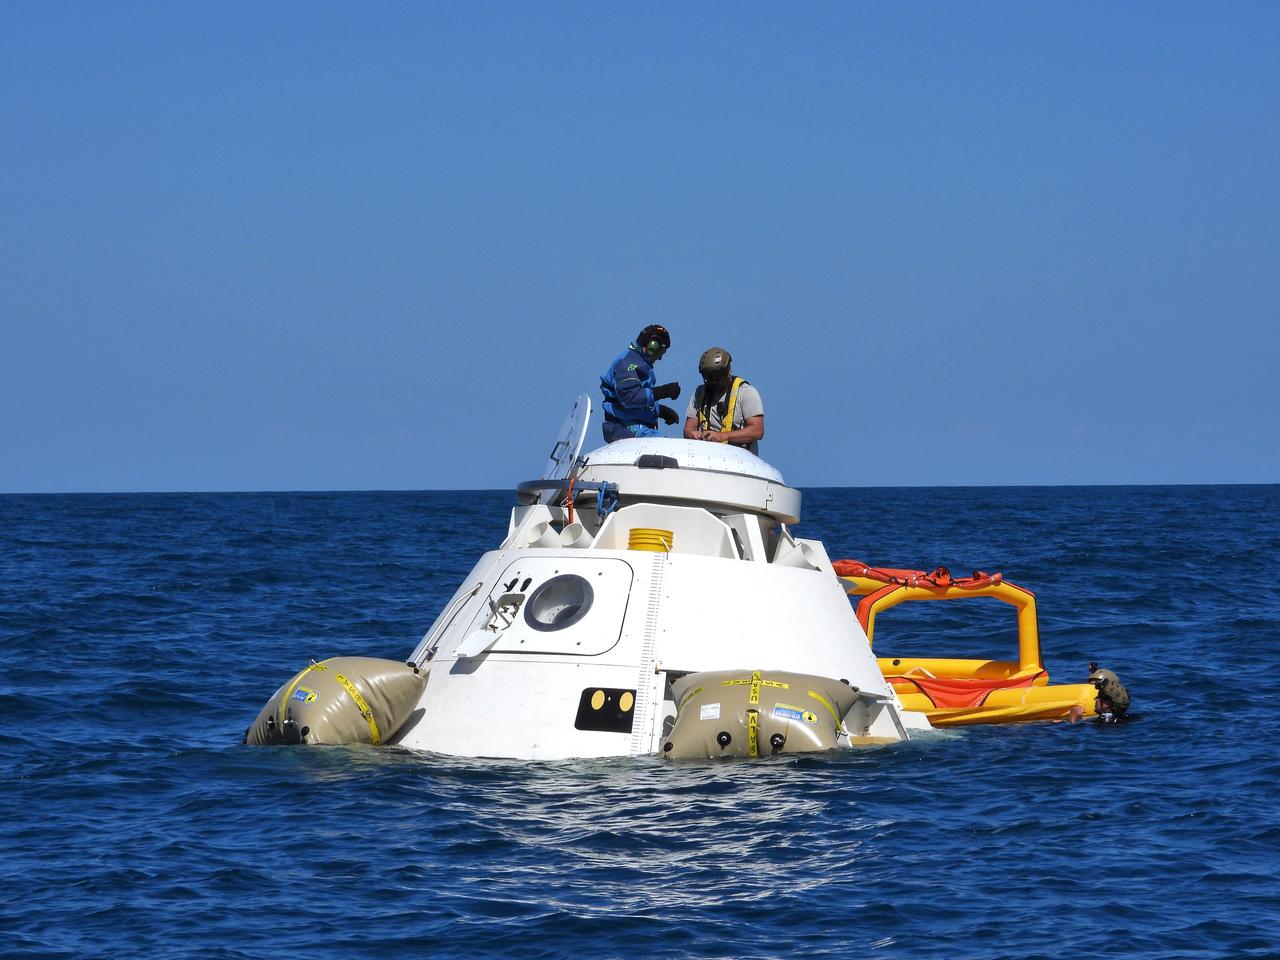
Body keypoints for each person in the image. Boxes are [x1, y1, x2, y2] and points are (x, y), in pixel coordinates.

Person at [600, 325, 682, 442]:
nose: (660, 358)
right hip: (625, 429)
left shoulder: (638, 361)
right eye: (662, 352)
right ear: (653, 346)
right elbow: (630, 397)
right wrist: (664, 391)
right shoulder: (628, 363)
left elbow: (638, 399)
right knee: (670, 448)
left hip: (634, 428)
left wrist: (660, 411)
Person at [683, 346, 764, 455]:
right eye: (709, 377)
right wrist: (693, 434)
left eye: (717, 376)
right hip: (707, 457)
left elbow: (757, 431)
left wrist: (723, 436)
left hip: (739, 460)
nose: (714, 381)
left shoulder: (746, 393)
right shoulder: (700, 393)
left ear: (728, 371)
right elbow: (688, 428)